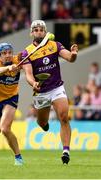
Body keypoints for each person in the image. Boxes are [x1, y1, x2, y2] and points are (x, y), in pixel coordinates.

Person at [22, 20, 78, 164]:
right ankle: (43, 124)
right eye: (36, 30)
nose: (38, 31)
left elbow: (69, 58)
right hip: (41, 92)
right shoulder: (27, 52)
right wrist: (33, 83)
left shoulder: (55, 45)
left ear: (45, 32)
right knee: (42, 122)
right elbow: (28, 74)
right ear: (32, 33)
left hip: (57, 87)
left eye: (41, 29)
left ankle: (66, 150)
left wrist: (74, 54)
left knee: (64, 117)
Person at [0, 42, 23, 166]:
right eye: (4, 53)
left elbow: (30, 60)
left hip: (11, 97)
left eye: (9, 52)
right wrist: (8, 68)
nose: (8, 55)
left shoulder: (17, 59)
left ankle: (18, 157)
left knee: (5, 129)